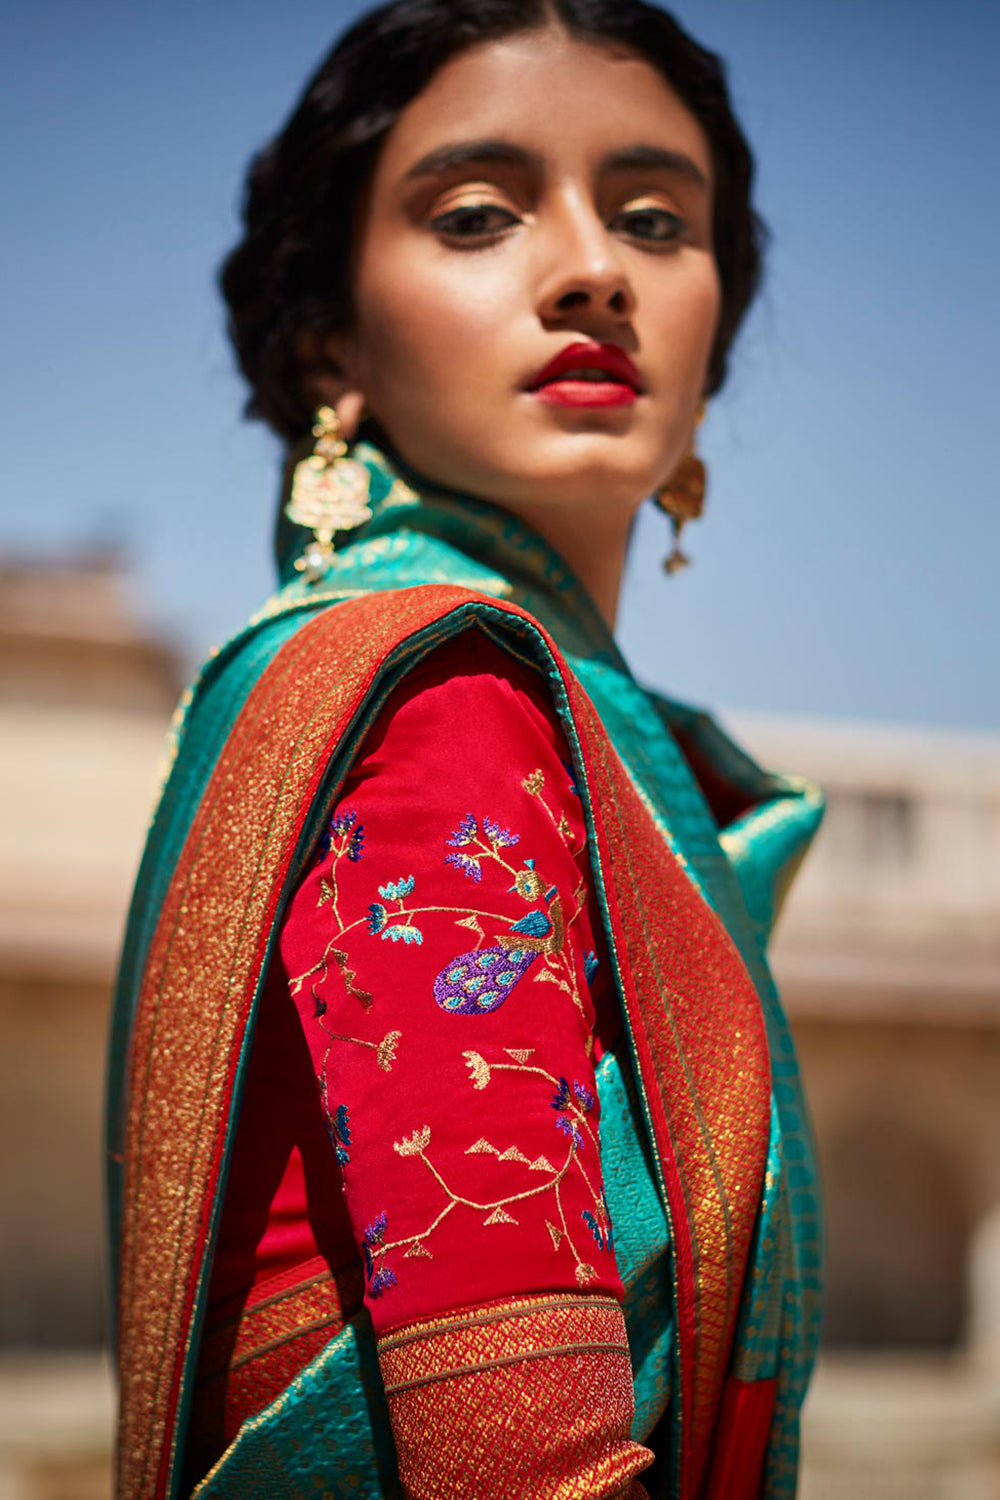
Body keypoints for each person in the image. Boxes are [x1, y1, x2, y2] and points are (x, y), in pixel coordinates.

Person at [105, 2, 825, 1497]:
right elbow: (517, 1461)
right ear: (330, 346)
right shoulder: (443, 697)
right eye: (480, 214)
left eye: (653, 219)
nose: (593, 271)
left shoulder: (532, 708)